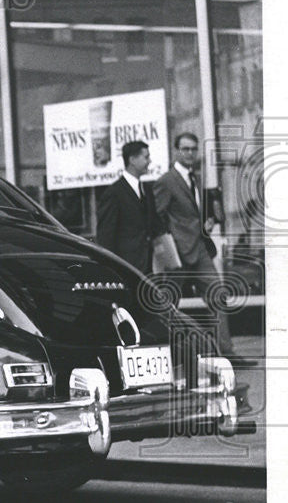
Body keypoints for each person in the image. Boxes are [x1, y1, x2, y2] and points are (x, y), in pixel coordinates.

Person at [154, 131, 235, 357]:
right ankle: (166, 354)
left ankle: (226, 352)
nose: (190, 153)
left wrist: (206, 222)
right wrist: (168, 246)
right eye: (185, 149)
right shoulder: (166, 181)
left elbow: (193, 213)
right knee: (167, 304)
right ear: (176, 151)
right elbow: (157, 216)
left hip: (199, 250)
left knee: (218, 295)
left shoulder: (195, 178)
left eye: (193, 149)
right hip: (178, 254)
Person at [96, 139, 160, 274]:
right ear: (132, 159)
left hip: (148, 266)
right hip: (126, 268)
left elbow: (153, 225)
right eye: (146, 157)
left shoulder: (147, 190)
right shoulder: (114, 193)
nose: (149, 161)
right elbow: (106, 236)